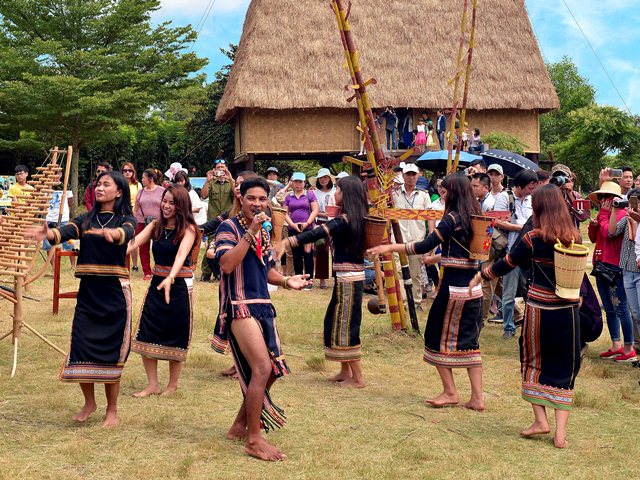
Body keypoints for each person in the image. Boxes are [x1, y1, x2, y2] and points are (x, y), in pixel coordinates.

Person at [469, 184, 582, 448]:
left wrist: (481, 275)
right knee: (564, 367)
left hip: (539, 311)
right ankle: (560, 435)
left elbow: (507, 263)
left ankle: (540, 420)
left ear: (540, 208)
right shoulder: (574, 237)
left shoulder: (533, 238)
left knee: (533, 361)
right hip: (567, 312)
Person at [26, 171, 135, 427]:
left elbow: (127, 233)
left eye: (107, 184)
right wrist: (47, 234)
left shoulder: (125, 218)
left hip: (114, 294)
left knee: (111, 354)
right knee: (82, 347)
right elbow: (64, 232)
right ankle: (89, 402)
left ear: (119, 192)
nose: (100, 187)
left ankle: (112, 410)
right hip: (88, 294)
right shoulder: (85, 219)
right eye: (99, 183)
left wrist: (114, 235)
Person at [369, 173, 485, 411]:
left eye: (445, 190)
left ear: (452, 192)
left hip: (454, 289)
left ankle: (450, 392)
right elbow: (474, 254)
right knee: (470, 341)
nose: (443, 194)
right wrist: (438, 259)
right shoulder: (478, 217)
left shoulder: (451, 218)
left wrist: (390, 246)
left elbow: (423, 244)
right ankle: (477, 398)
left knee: (433, 336)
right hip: (475, 289)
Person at [215, 177, 310, 461]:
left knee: (272, 371)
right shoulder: (227, 227)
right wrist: (250, 233)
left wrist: (285, 281)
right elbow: (227, 264)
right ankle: (254, 440)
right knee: (261, 367)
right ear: (240, 199)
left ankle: (239, 426)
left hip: (262, 306)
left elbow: (265, 270)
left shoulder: (265, 232)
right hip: (239, 306)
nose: (257, 204)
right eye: (251, 198)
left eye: (261, 199)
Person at [277, 176, 368, 387]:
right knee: (334, 322)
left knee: (346, 327)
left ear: (347, 195)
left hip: (350, 279)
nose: (335, 193)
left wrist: (288, 242)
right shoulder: (351, 217)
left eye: (338, 190)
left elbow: (318, 232)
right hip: (346, 278)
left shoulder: (345, 220)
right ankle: (345, 371)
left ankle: (358, 378)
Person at [129, 186, 200, 397]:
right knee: (148, 329)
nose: (167, 206)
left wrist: (171, 277)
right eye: (165, 201)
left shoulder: (188, 229)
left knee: (175, 332)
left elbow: (181, 256)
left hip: (178, 286)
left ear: (181, 206)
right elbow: (134, 243)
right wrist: (109, 252)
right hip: (157, 285)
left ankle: (172, 384)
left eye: (172, 203)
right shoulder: (155, 226)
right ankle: (152, 384)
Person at [588, 181, 635, 360]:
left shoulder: (620, 214)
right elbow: (595, 238)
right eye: (601, 197)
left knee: (621, 307)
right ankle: (616, 344)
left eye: (606, 197)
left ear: (615, 199)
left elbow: (609, 232)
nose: (603, 200)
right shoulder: (604, 215)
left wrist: (603, 216)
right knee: (608, 307)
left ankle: (628, 346)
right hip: (600, 264)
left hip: (614, 266)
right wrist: (594, 226)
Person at [494, 169, 537, 339]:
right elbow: (497, 220)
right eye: (529, 187)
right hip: (510, 251)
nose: (531, 191)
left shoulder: (531, 200)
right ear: (520, 185)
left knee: (530, 290)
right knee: (509, 293)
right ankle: (508, 328)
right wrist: (521, 228)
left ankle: (531, 324)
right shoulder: (504, 197)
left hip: (528, 252)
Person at [393, 163, 431, 310]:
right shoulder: (394, 193)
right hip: (398, 239)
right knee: (399, 271)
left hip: (416, 240)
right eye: (408, 174)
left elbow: (430, 217)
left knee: (415, 273)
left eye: (413, 174)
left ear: (418, 175)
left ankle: (416, 302)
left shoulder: (424, 195)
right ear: (403, 176)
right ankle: (402, 302)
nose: (410, 177)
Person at [608, 187, 639, 362]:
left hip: (638, 270)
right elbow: (612, 231)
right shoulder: (627, 218)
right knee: (635, 313)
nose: (633, 206)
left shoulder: (636, 221)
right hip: (626, 270)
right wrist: (615, 209)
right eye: (630, 201)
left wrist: (634, 221)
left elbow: (634, 239)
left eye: (636, 202)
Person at [200, 159, 235, 281]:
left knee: (225, 245)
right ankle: (206, 273)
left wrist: (230, 179)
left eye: (223, 167)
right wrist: (207, 181)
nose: (220, 170)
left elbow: (237, 196)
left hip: (227, 220)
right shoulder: (212, 182)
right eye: (218, 167)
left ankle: (220, 272)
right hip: (213, 219)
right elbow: (203, 195)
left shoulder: (231, 182)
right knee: (211, 244)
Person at [284, 172, 319, 288]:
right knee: (296, 254)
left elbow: (315, 210)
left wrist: (307, 223)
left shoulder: (310, 194)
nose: (298, 184)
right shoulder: (288, 196)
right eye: (296, 181)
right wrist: (293, 225)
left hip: (307, 228)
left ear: (304, 183)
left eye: (300, 182)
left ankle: (309, 281)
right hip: (293, 228)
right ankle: (299, 280)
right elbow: (285, 213)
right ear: (292, 183)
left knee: (308, 254)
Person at [134, 169, 165, 280]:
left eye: (143, 178)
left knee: (159, 246)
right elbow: (136, 209)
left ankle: (159, 269)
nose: (141, 180)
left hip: (158, 223)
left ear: (150, 179)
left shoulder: (162, 190)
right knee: (143, 248)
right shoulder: (140, 192)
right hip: (142, 222)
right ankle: (147, 272)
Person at [310, 168, 336, 289]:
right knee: (321, 250)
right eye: (321, 178)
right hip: (320, 221)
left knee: (336, 250)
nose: (323, 180)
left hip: (335, 221)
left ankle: (337, 277)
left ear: (329, 178)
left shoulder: (336, 191)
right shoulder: (314, 193)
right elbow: (313, 209)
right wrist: (322, 214)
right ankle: (322, 278)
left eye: (325, 177)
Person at [41, 175, 75, 267]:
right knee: (48, 244)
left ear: (61, 174)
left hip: (63, 218)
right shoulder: (46, 186)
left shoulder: (65, 185)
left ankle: (73, 265)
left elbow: (69, 201)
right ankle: (54, 267)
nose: (56, 175)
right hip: (49, 218)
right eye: (54, 172)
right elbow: (42, 203)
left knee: (69, 243)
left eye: (58, 173)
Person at [122, 163, 142, 271]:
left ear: (133, 172)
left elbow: (140, 200)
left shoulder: (138, 185)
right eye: (125, 170)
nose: (127, 172)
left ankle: (134, 265)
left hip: (134, 213)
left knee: (133, 239)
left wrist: (135, 212)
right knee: (122, 238)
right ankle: (122, 263)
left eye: (130, 170)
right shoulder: (118, 184)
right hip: (121, 212)